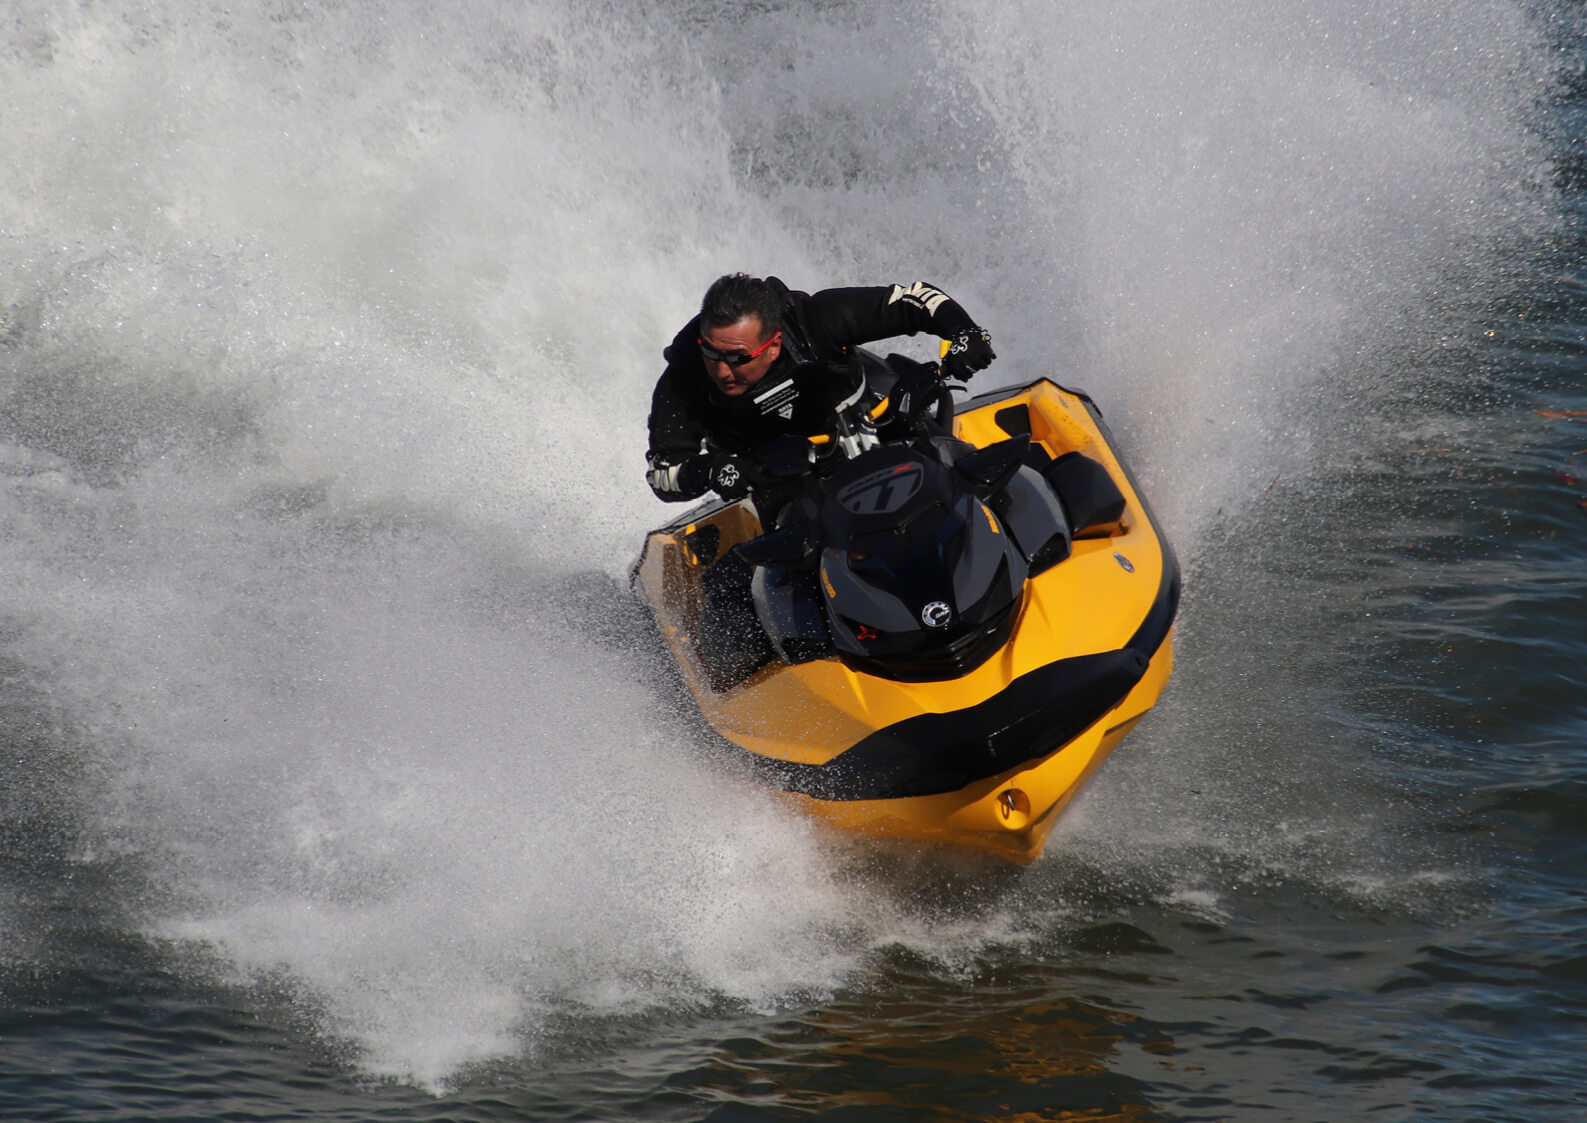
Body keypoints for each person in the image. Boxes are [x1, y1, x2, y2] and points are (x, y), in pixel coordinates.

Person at [645, 273, 996, 506]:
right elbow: (661, 474)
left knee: (977, 483)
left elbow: (914, 300)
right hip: (786, 489)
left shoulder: (814, 319)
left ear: (774, 344)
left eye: (738, 358)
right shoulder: (684, 377)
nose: (722, 371)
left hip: (881, 429)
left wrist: (965, 333)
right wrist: (718, 470)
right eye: (711, 352)